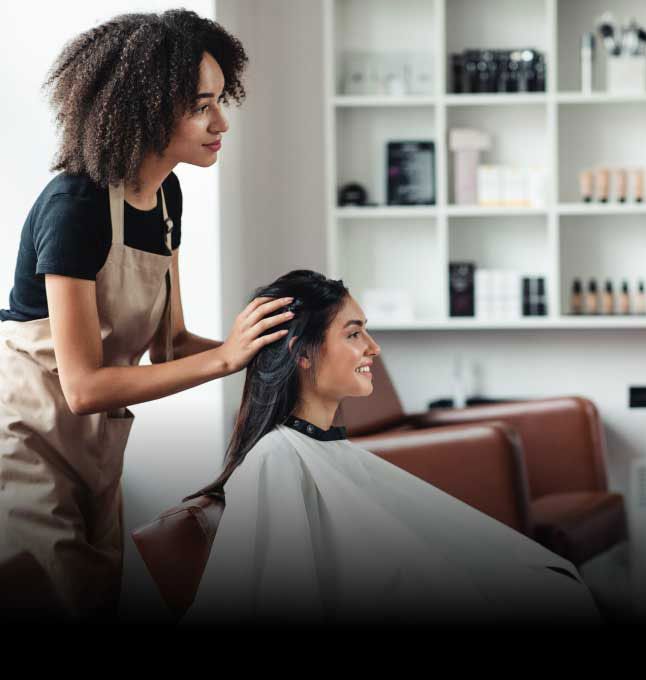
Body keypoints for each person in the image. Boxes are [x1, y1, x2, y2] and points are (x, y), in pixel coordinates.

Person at [0, 10, 295, 621]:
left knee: (98, 595)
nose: (221, 123)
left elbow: (172, 343)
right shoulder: (74, 203)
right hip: (25, 440)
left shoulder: (166, 197)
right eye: (201, 106)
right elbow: (82, 387)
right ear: (144, 108)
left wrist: (273, 352)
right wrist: (227, 358)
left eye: (220, 100)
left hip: (96, 446)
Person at [184, 270, 601, 627]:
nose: (372, 347)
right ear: (303, 354)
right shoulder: (275, 461)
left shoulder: (322, 448)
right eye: (353, 333)